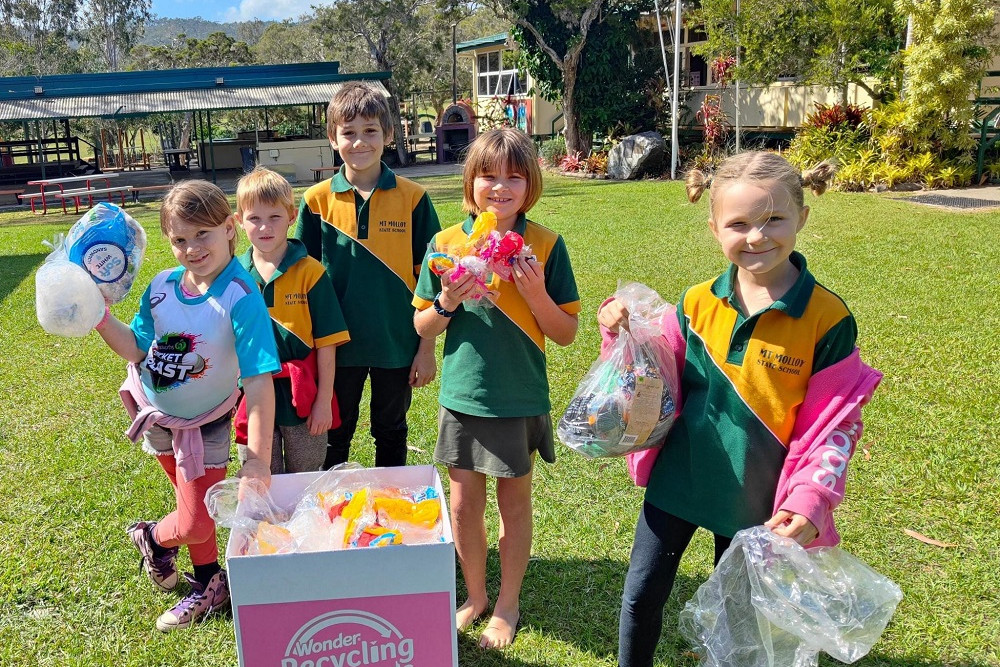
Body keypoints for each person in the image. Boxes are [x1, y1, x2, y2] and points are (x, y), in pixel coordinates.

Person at [599, 151, 882, 666]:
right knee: (642, 593)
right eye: (739, 223)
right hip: (680, 480)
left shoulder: (827, 318)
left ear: (803, 217)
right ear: (714, 228)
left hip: (758, 500)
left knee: (739, 615)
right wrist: (622, 329)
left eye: (774, 218)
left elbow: (836, 425)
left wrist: (811, 500)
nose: (757, 237)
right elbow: (650, 379)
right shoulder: (695, 303)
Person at [413, 127, 581, 649]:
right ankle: (477, 595)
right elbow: (422, 325)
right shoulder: (445, 244)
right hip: (464, 395)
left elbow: (566, 332)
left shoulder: (546, 245)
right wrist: (447, 301)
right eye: (489, 176)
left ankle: (507, 603)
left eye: (514, 177)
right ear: (471, 182)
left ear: (530, 185)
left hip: (518, 395)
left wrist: (534, 293)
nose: (501, 187)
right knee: (463, 506)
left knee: (514, 504)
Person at [93, 180, 280, 631]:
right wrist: (98, 316)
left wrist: (256, 458)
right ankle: (208, 582)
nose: (192, 249)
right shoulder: (160, 286)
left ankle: (152, 538)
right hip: (155, 416)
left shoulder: (240, 296)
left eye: (203, 234)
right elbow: (137, 348)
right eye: (180, 239)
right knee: (192, 505)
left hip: (208, 423)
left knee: (197, 520)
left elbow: (257, 382)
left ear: (230, 228)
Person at [296, 81, 440, 469]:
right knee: (332, 433)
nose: (360, 142)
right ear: (332, 138)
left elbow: (432, 282)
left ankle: (389, 510)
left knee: (391, 430)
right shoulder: (315, 200)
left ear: (388, 135)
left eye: (371, 131)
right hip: (334, 347)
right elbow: (297, 277)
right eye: (349, 133)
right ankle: (327, 513)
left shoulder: (413, 197)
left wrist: (425, 350)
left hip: (396, 342)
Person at [235, 166, 350, 474]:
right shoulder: (233, 275)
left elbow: (327, 343)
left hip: (303, 393)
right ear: (238, 222)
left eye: (274, 217)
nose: (264, 227)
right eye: (254, 218)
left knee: (306, 475)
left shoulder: (311, 272)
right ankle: (264, 524)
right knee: (260, 473)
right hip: (252, 392)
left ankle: (305, 523)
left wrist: (324, 400)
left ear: (291, 216)